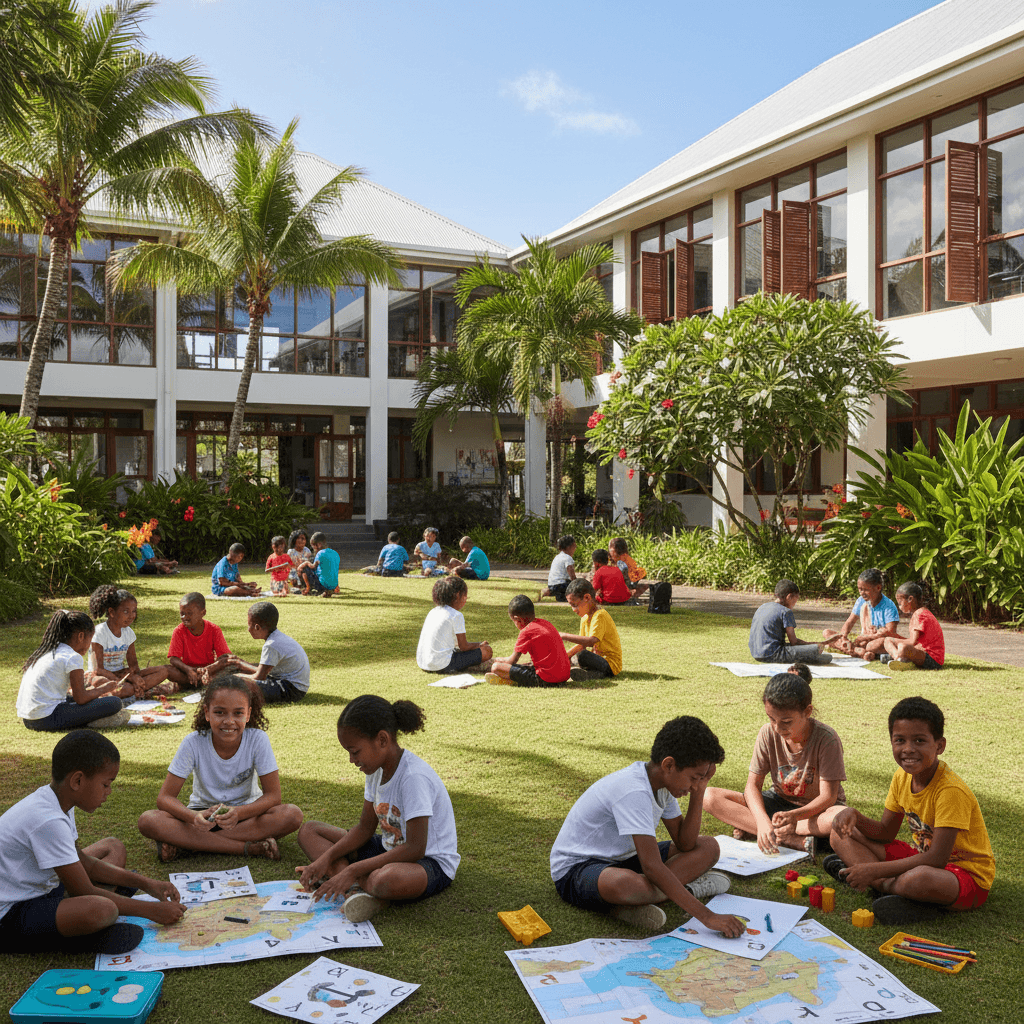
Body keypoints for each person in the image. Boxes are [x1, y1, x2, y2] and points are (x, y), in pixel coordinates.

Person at [0, 731, 185, 955]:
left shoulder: (57, 801)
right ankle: (74, 938)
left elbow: (85, 864)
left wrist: (146, 883)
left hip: (44, 888)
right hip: (10, 913)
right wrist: (152, 911)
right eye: (106, 784)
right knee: (101, 908)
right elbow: (82, 890)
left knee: (112, 847)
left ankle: (80, 923)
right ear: (78, 780)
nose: (108, 793)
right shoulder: (48, 820)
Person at [550, 715, 740, 933]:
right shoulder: (634, 790)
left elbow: (685, 843)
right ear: (669, 765)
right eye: (694, 778)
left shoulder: (664, 784)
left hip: (624, 859)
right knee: (629, 885)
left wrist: (700, 789)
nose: (693, 786)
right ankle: (681, 890)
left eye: (700, 779)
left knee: (708, 847)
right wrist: (707, 917)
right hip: (577, 870)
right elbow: (651, 866)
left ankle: (634, 902)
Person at [825, 696, 994, 926]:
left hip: (963, 876)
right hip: (920, 859)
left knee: (918, 879)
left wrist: (873, 870)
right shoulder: (902, 776)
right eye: (900, 740)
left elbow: (937, 859)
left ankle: (882, 885)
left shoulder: (951, 791)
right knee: (840, 834)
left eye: (919, 741)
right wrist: (856, 816)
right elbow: (885, 832)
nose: (908, 749)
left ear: (940, 745)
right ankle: (898, 892)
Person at [296, 696, 459, 923]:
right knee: (310, 831)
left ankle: (354, 882)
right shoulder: (375, 770)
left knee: (384, 880)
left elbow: (415, 848)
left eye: (355, 751)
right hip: (387, 848)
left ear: (382, 739)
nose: (352, 760)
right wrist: (325, 858)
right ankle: (354, 887)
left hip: (428, 863)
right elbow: (364, 828)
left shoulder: (413, 777)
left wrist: (351, 870)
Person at [138, 675, 303, 863]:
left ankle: (190, 844)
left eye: (238, 713)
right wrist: (193, 816)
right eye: (220, 712)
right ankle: (248, 848)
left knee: (291, 815)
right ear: (207, 713)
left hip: (245, 816)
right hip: (202, 818)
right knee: (148, 820)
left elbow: (274, 796)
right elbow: (165, 798)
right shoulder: (194, 742)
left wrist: (239, 813)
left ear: (248, 714)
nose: (229, 721)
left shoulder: (257, 739)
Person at [704, 673, 847, 856]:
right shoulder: (767, 733)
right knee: (710, 796)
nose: (778, 728)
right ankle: (785, 838)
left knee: (837, 817)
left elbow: (828, 797)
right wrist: (763, 820)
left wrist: (794, 817)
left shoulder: (827, 739)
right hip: (778, 804)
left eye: (786, 722)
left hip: (817, 811)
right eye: (772, 719)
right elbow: (752, 786)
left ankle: (763, 831)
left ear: (807, 711)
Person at [17, 610, 129, 731]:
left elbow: (76, 695)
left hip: (28, 719)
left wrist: (94, 693)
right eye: (90, 639)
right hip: (45, 719)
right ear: (81, 636)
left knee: (77, 699)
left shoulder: (49, 651)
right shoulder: (72, 656)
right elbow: (80, 698)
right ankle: (92, 721)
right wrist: (104, 689)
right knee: (114, 703)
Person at [88, 585, 174, 698]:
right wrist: (126, 679)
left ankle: (133, 690)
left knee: (163, 671)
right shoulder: (99, 633)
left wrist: (136, 679)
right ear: (112, 612)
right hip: (102, 676)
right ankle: (132, 691)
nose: (131, 616)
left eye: (134, 611)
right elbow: (98, 669)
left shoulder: (129, 633)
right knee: (100, 682)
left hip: (122, 674)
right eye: (126, 611)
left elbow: (134, 666)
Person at [224, 601, 311, 704]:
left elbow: (259, 676)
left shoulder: (271, 644)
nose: (248, 630)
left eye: (249, 625)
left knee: (238, 682)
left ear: (257, 627)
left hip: (291, 690)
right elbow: (263, 670)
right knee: (237, 671)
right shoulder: (277, 637)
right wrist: (239, 663)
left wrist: (237, 676)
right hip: (292, 685)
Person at [485, 595, 571, 687]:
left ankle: (512, 680)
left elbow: (512, 661)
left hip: (545, 679)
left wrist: (499, 660)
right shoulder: (546, 623)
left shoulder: (526, 631)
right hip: (564, 676)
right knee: (521, 665)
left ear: (518, 619)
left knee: (496, 667)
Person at [416, 576, 493, 674]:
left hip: (423, 663)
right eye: (465, 596)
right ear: (457, 595)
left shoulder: (433, 611)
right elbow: (463, 646)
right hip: (442, 665)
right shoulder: (456, 615)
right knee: (487, 651)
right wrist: (479, 644)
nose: (466, 599)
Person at [748, 579, 832, 665]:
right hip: (772, 654)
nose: (795, 604)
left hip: (756, 653)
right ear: (789, 597)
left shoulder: (763, 607)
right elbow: (794, 642)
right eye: (795, 600)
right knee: (824, 655)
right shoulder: (786, 612)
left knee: (813, 649)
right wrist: (814, 645)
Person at [823, 567, 899, 660]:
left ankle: (854, 650)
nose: (862, 593)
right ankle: (858, 651)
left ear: (878, 588)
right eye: (860, 589)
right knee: (827, 633)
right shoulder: (861, 601)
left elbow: (890, 633)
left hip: (877, 640)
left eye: (865, 589)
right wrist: (843, 638)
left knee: (872, 646)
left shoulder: (889, 605)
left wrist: (868, 637)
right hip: (862, 640)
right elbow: (849, 622)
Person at [559, 578, 621, 678]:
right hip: (597, 661)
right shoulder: (584, 618)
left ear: (587, 598)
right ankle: (592, 675)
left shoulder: (600, 615)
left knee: (582, 655)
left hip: (610, 664)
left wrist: (563, 635)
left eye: (574, 605)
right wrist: (564, 657)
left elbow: (591, 641)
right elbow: (581, 645)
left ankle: (591, 673)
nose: (573, 610)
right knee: (575, 656)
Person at [166, 592, 230, 689]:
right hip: (187, 672)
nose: (185, 617)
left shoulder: (214, 630)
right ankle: (195, 682)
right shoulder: (179, 631)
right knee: (167, 670)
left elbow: (224, 657)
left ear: (203, 613)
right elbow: (173, 659)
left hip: (208, 671)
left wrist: (208, 669)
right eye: (182, 614)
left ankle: (194, 683)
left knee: (230, 667)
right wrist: (188, 670)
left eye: (189, 613)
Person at [881, 581, 945, 670]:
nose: (899, 606)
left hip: (932, 660)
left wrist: (896, 641)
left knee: (902, 647)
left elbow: (912, 642)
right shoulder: (922, 612)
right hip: (928, 656)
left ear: (910, 599)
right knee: (889, 640)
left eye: (900, 603)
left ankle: (899, 658)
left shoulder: (919, 614)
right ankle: (900, 658)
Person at [297, 532, 340, 597]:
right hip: (333, 585)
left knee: (303, 568)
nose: (314, 549)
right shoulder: (335, 553)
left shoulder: (320, 554)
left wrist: (306, 563)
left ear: (319, 544)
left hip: (322, 585)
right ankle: (334, 588)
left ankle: (308, 589)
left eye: (313, 547)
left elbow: (313, 567)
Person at [609, 537, 649, 602]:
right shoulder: (622, 561)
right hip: (618, 589)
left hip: (622, 587)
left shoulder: (625, 561)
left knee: (645, 585)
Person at [540, 535, 577, 602]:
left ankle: (549, 592)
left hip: (552, 585)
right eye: (574, 546)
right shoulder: (568, 558)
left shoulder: (558, 556)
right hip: (561, 586)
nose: (575, 548)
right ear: (569, 547)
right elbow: (572, 576)